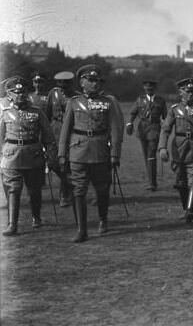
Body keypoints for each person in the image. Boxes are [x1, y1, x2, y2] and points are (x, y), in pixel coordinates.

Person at [58, 65, 124, 242]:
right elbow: (65, 130)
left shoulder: (108, 102)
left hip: (100, 151)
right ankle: (82, 230)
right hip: (77, 151)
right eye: (91, 80)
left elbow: (116, 129)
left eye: (97, 81)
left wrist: (115, 154)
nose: (95, 84)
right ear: (82, 82)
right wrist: (62, 154)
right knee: (78, 190)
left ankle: (103, 219)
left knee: (102, 190)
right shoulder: (73, 102)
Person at [1, 77, 57, 235]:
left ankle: (36, 217)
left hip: (33, 154)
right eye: (16, 92)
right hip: (11, 155)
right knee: (13, 189)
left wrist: (51, 156)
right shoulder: (5, 113)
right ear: (9, 94)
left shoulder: (37, 112)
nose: (20, 95)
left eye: (23, 92)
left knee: (35, 190)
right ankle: (13, 225)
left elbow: (48, 137)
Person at [158, 78, 193, 223]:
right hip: (179, 149)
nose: (190, 94)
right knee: (181, 182)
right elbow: (165, 130)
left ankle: (190, 211)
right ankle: (185, 208)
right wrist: (162, 147)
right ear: (180, 92)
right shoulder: (174, 109)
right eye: (187, 91)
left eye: (192, 91)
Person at [126, 80, 167, 191]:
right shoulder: (140, 100)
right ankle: (151, 181)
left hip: (154, 129)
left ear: (154, 89)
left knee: (151, 154)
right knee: (146, 155)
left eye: (151, 88)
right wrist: (129, 123)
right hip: (142, 130)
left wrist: (165, 128)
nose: (149, 90)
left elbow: (165, 117)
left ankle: (152, 183)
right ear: (144, 89)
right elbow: (133, 113)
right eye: (147, 88)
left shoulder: (160, 101)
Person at [46, 71, 75, 207]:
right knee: (53, 163)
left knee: (66, 164)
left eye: (66, 83)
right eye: (60, 83)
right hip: (55, 130)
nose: (63, 86)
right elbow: (47, 113)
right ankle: (69, 186)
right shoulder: (53, 93)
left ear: (70, 83)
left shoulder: (76, 96)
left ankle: (65, 195)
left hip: (69, 132)